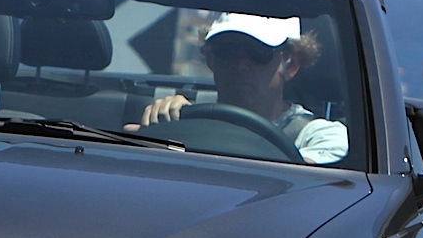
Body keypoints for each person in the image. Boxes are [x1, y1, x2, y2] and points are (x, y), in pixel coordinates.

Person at [137, 13, 349, 164]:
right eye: (226, 50)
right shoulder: (182, 121)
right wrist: (166, 125)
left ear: (291, 64)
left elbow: (309, 185)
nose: (240, 64)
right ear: (210, 58)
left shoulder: (321, 136)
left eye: (258, 52)